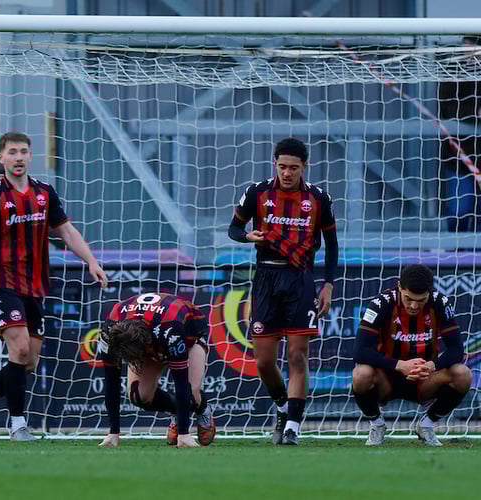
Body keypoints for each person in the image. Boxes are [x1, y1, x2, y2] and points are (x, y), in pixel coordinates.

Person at [0, 131, 108, 441]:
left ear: (30, 156)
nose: (18, 157)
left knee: (27, 362)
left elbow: (66, 231)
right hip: (1, 281)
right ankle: (17, 426)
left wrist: (91, 261)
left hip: (36, 284)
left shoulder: (45, 192)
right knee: (21, 347)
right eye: (12, 152)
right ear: (1, 158)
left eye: (23, 152)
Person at [227, 137, 338, 446]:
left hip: (301, 279)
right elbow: (233, 229)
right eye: (282, 166)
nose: (287, 173)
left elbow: (332, 246)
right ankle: (281, 406)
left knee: (297, 355)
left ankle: (292, 426)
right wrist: (249, 236)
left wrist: (328, 284)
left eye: (294, 167)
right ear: (274, 164)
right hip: (266, 277)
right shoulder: (257, 193)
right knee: (263, 360)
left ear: (305, 167)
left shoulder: (318, 199)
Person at [351, 264, 471, 446]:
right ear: (399, 287)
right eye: (408, 298)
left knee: (463, 374)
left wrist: (432, 366)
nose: (414, 305)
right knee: (360, 374)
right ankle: (377, 425)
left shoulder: (440, 303)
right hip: (387, 380)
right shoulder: (381, 303)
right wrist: (400, 365)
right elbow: (359, 351)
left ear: (429, 292)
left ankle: (426, 425)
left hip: (424, 379)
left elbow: (457, 350)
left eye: (421, 300)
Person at [96, 293, 216, 449]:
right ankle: (176, 411)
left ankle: (203, 409)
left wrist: (183, 434)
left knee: (191, 394)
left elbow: (180, 381)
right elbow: (112, 380)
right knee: (139, 396)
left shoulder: (171, 328)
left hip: (190, 333)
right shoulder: (110, 330)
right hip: (150, 332)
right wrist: (113, 433)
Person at [439, 36, 481, 232]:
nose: (470, 49)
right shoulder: (452, 72)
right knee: (459, 210)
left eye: (474, 45)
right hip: (457, 155)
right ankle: (457, 255)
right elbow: (449, 110)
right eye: (467, 44)